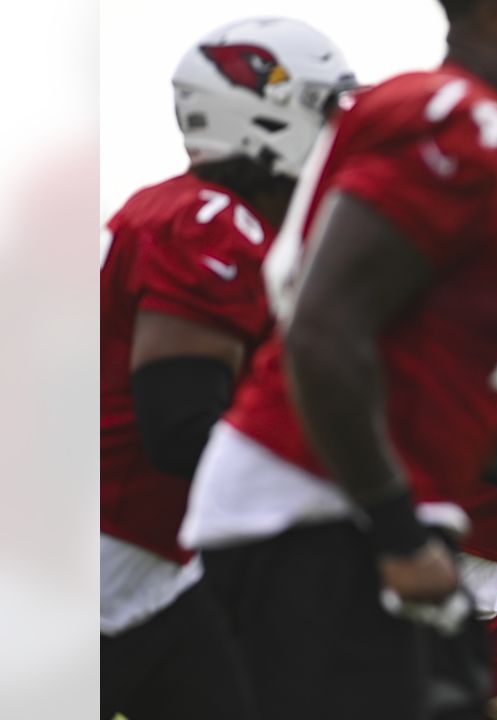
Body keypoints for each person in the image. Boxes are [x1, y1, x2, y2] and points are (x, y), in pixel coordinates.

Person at [176, 3, 497, 719]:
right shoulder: (451, 120)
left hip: (353, 515)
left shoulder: (492, 144)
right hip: (307, 514)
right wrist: (399, 530)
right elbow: (324, 329)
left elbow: (411, 375)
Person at [100, 17, 356, 720]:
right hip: (102, 560)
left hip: (150, 568)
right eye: (325, 112)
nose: (342, 137)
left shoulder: (203, 215)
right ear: (268, 117)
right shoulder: (212, 222)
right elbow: (180, 425)